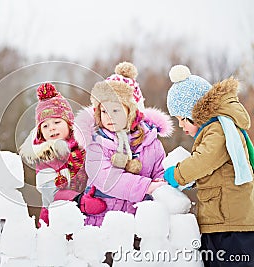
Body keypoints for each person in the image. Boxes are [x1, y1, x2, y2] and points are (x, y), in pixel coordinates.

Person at [164, 65, 254, 267]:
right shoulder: (217, 130)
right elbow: (214, 171)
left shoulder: (218, 131)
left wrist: (176, 174)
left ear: (194, 112)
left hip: (231, 226)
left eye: (181, 119)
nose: (180, 126)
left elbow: (203, 161)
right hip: (220, 222)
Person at [76, 61, 173, 227]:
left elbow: (160, 172)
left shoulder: (151, 142)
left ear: (132, 112)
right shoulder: (97, 142)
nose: (109, 117)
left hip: (137, 222)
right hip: (102, 222)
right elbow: (107, 178)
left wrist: (160, 185)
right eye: (104, 111)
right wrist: (147, 186)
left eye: (116, 110)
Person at [19, 82, 106, 226]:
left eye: (57, 122)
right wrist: (80, 201)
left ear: (69, 124)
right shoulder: (46, 158)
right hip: (56, 221)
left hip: (88, 217)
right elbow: (50, 193)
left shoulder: (83, 148)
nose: (51, 128)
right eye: (45, 126)